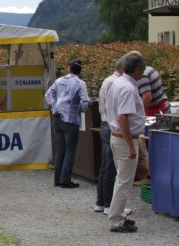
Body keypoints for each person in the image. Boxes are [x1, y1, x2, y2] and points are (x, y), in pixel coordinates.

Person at [106, 52, 146, 233]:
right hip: (124, 139)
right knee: (124, 182)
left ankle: (118, 215)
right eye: (142, 70)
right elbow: (123, 118)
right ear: (137, 69)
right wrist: (131, 145)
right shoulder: (128, 88)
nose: (142, 73)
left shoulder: (117, 82)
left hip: (116, 136)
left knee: (121, 180)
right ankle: (116, 220)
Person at [45, 59, 89, 189]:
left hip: (57, 117)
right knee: (70, 151)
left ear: (69, 68)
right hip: (71, 119)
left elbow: (48, 95)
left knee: (60, 150)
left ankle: (57, 179)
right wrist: (77, 108)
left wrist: (55, 105)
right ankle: (65, 180)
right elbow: (85, 104)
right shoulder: (80, 83)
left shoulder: (59, 80)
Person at [95, 57, 125, 213]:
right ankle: (108, 204)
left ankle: (100, 202)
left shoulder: (107, 80)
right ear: (123, 67)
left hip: (104, 124)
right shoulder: (118, 83)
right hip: (111, 125)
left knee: (104, 166)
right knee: (111, 167)